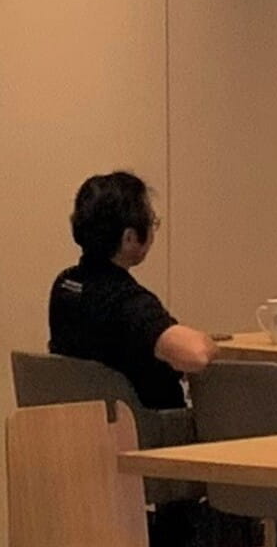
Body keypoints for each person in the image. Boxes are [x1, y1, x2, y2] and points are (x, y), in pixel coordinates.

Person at [48, 168, 213, 416]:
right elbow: (195, 355)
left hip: (83, 428)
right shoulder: (129, 303)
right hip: (149, 430)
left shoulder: (64, 286)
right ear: (129, 238)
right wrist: (212, 345)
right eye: (151, 222)